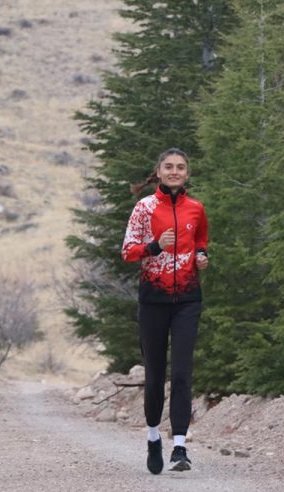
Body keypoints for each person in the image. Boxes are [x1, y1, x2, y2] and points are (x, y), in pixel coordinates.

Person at [121, 148, 209, 474]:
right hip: (153, 299)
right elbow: (128, 252)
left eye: (180, 167)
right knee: (156, 375)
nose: (174, 172)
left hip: (188, 298)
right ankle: (153, 436)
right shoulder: (144, 208)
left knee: (183, 372)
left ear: (187, 173)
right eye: (169, 167)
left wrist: (201, 256)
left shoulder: (196, 209)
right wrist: (155, 245)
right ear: (158, 172)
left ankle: (181, 447)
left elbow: (201, 240)